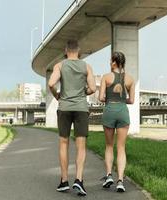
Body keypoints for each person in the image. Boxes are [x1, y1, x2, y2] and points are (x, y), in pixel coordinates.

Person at [48, 39, 96, 196]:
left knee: (63, 143)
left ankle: (63, 181)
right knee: (81, 145)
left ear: (66, 50)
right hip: (81, 109)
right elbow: (93, 88)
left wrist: (57, 96)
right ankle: (79, 180)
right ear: (79, 50)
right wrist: (83, 93)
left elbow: (50, 83)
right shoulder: (86, 67)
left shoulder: (60, 65)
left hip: (65, 108)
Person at [98, 51, 135, 192]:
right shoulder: (130, 79)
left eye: (110, 60)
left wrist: (110, 97)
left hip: (109, 111)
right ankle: (120, 180)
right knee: (121, 148)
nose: (109, 62)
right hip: (122, 112)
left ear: (114, 62)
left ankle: (108, 176)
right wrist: (121, 99)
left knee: (109, 146)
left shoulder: (106, 77)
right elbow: (131, 100)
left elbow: (101, 98)